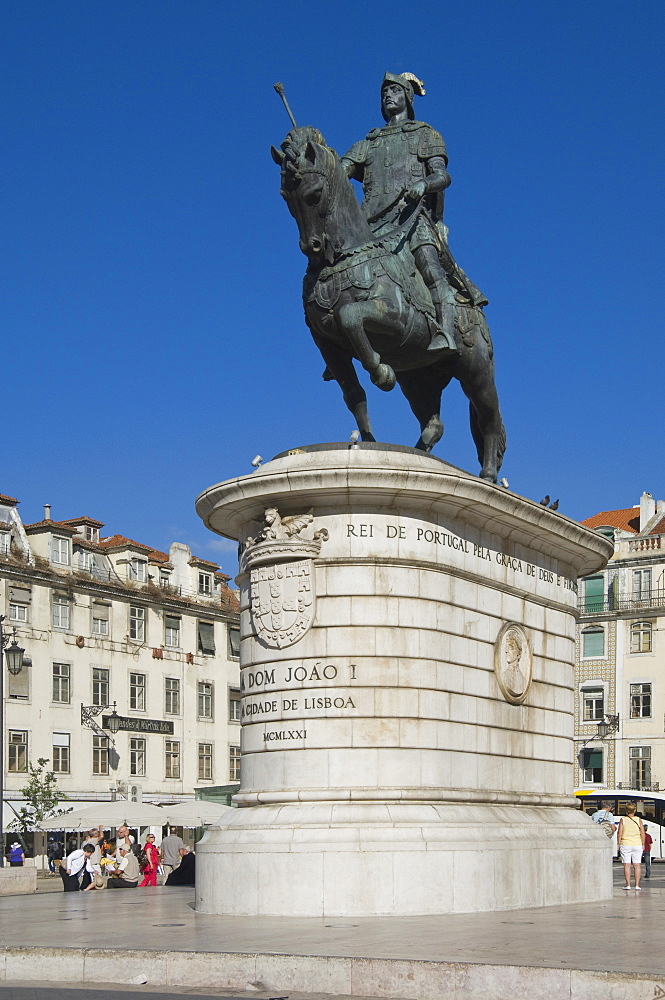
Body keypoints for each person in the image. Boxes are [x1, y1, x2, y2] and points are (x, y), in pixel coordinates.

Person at [342, 73, 483, 352]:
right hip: (369, 223)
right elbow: (338, 172)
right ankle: (339, 343)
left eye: (395, 90)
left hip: (410, 218)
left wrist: (424, 183)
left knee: (431, 269)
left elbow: (443, 177)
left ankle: (445, 333)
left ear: (407, 96)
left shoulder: (425, 134)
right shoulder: (367, 143)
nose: (388, 95)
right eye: (384, 92)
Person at [618, 803, 645, 890]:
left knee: (627, 865)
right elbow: (642, 833)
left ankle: (628, 884)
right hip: (637, 844)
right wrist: (643, 843)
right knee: (637, 865)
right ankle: (637, 885)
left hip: (626, 844)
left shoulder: (623, 820)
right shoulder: (638, 819)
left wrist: (618, 843)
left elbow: (620, 833)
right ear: (635, 810)